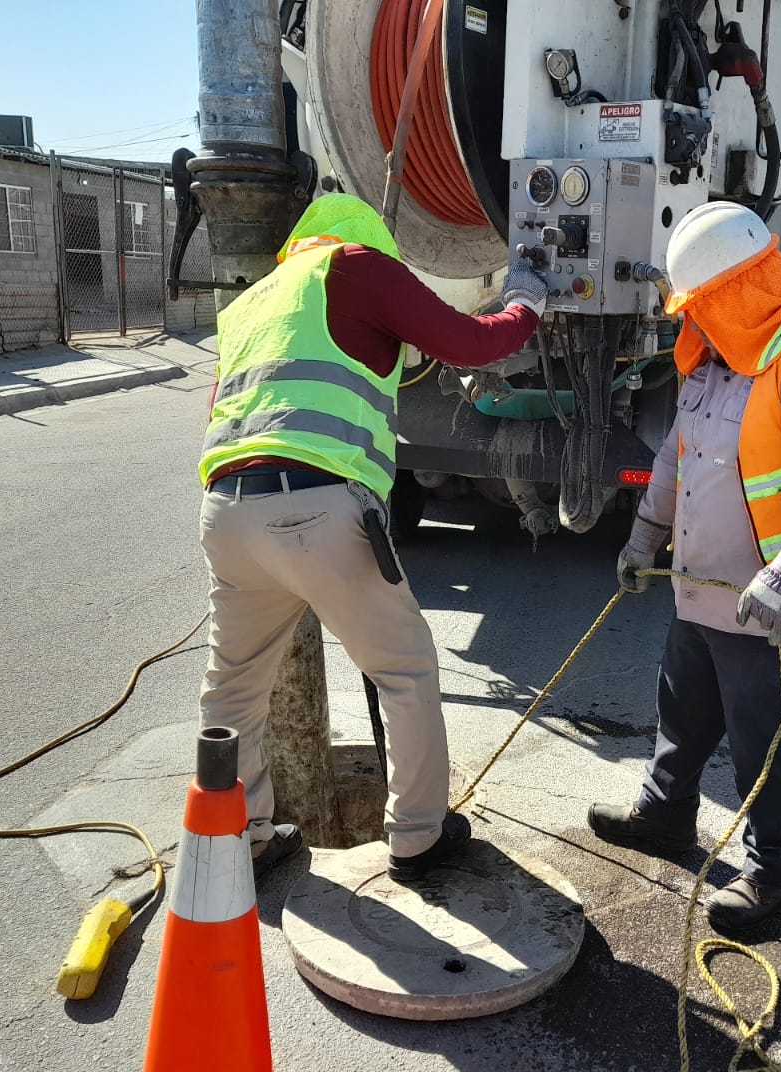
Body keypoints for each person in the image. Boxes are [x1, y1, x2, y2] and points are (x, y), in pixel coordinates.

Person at [199, 193, 547, 880]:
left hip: (226, 510)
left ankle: (238, 840)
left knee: (231, 690)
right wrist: (525, 304)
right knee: (404, 671)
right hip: (316, 509)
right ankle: (418, 836)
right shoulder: (357, 266)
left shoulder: (252, 301)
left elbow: (222, 408)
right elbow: (471, 344)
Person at [587, 201, 781, 931]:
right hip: (704, 585)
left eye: (702, 306)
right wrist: (643, 536)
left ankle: (772, 875)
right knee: (682, 706)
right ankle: (665, 815)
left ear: (736, 292)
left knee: (766, 738)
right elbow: (676, 456)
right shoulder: (718, 360)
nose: (694, 321)